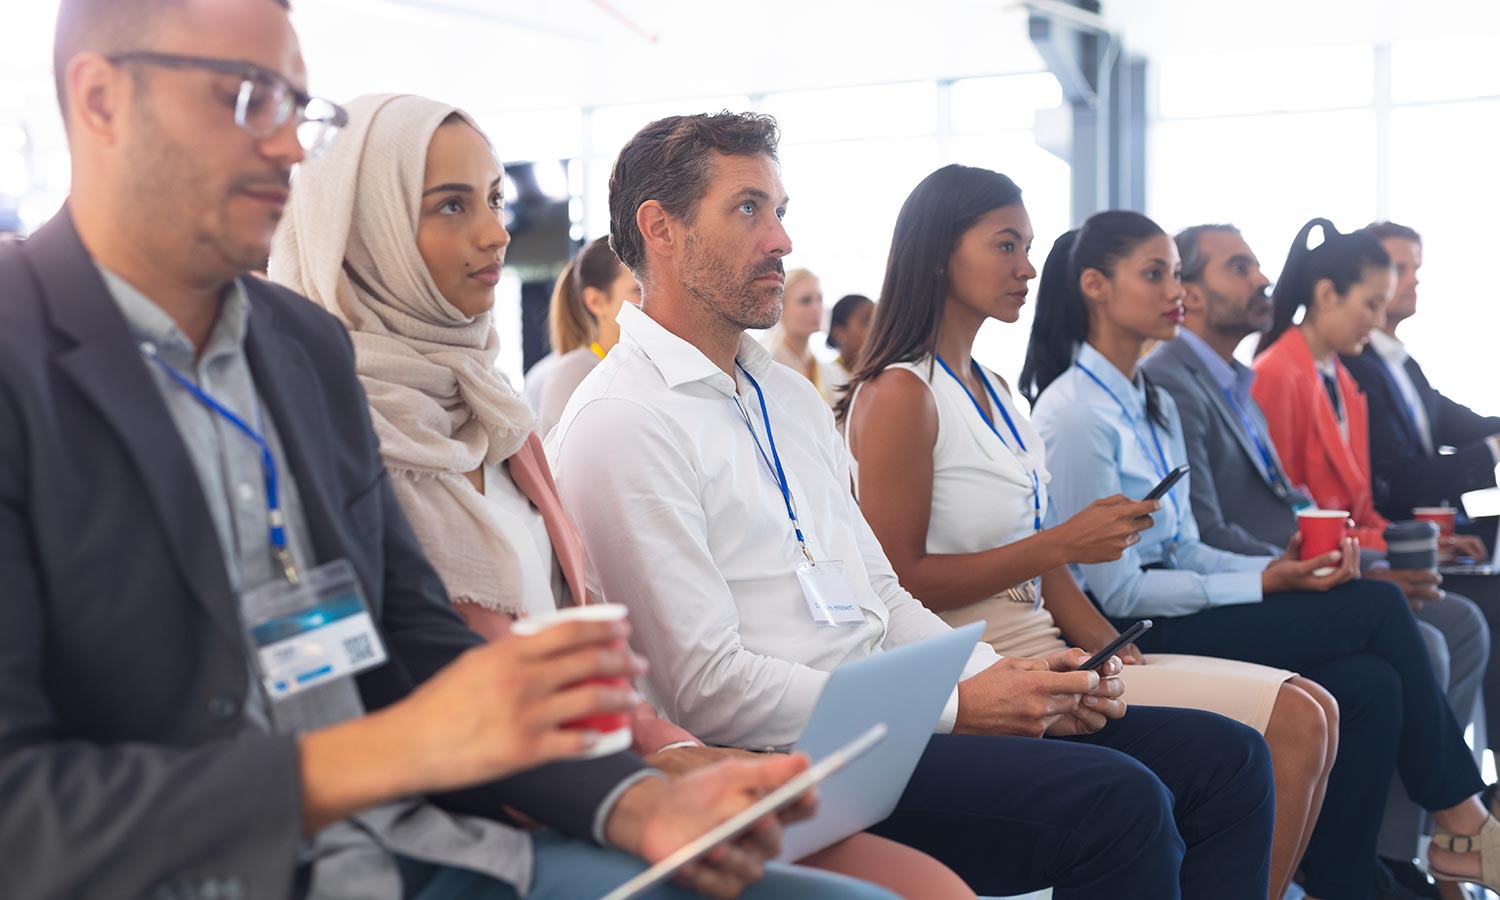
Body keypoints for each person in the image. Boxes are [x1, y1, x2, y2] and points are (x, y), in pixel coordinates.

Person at [0, 2, 899, 897]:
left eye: (298, 112)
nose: (286, 149)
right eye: (246, 99)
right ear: (100, 97)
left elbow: (415, 632)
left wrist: (631, 802)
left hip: (417, 850)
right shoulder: (20, 349)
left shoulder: (301, 348)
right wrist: (380, 753)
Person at [549, 110, 1279, 900]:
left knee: (1227, 760)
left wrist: (1008, 684)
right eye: (749, 209)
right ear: (661, 229)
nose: (782, 241)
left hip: (893, 719)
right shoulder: (623, 420)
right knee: (1119, 805)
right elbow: (709, 688)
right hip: (791, 755)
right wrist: (958, 705)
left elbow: (883, 593)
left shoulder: (786, 396)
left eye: (781, 211)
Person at [271, 90, 968, 900]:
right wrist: (645, 784)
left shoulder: (499, 421)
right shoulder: (327, 424)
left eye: (495, 199)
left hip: (603, 774)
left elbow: (577, 649)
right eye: (451, 205)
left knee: (927, 885)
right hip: (479, 815)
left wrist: (670, 753)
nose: (496, 231)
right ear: (366, 226)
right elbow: (421, 679)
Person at [841, 165, 1336, 900]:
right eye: (1006, 247)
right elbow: (897, 580)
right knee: (1250, 744)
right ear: (941, 252)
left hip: (1054, 653)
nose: (1029, 269)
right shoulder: (900, 393)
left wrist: (1108, 645)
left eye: (1028, 247)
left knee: (1253, 741)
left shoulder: (999, 393)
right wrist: (1061, 545)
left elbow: (1046, 564)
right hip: (979, 671)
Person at [1022, 208, 1500, 899]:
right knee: (1378, 603)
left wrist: (1273, 574)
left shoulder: (1151, 400)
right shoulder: (1073, 415)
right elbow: (1114, 591)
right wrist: (1262, 586)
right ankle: (1463, 819)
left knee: (1372, 682)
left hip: (1182, 595)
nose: (1173, 292)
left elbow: (1187, 543)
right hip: (1137, 622)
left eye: (1177, 275)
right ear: (1095, 287)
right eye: (1156, 275)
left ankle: (1347, 883)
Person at [1342, 222, 1500, 525]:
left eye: (1416, 268)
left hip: (1441, 528)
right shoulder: (1353, 366)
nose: (1414, 280)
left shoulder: (1404, 364)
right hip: (1399, 535)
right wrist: (1493, 449)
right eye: (1399, 269)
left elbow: (1462, 423)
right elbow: (1397, 480)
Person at [527, 235, 641, 437]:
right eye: (639, 290)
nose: (652, 300)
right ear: (596, 301)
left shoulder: (640, 366)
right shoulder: (575, 374)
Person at [761, 268, 829, 400]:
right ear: (779, 308)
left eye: (819, 299)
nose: (816, 309)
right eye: (805, 301)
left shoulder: (826, 369)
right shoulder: (766, 367)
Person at [824, 293, 874, 403]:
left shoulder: (883, 376)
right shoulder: (825, 376)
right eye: (867, 322)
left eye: (877, 323)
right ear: (839, 332)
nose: (875, 331)